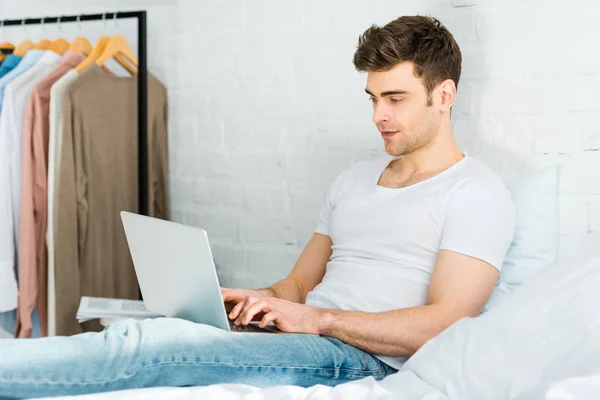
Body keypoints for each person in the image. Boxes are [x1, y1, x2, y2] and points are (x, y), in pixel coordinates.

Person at [0, 15, 515, 399]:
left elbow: (445, 322)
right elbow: (295, 287)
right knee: (150, 332)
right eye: (372, 97)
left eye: (395, 98)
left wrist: (319, 320)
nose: (378, 115)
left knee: (135, 347)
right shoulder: (354, 180)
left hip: (362, 360)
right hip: (311, 337)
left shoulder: (475, 193)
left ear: (444, 95)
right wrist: (255, 300)